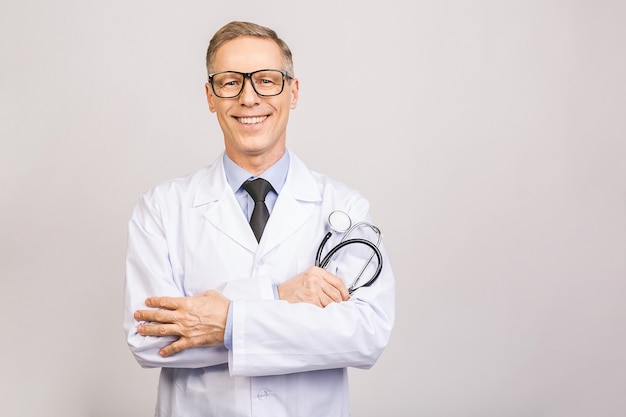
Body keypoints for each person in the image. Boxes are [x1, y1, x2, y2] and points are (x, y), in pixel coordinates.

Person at [123, 21, 395, 417]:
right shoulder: (162, 208)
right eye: (230, 82)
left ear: (293, 91)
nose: (249, 98)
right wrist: (277, 298)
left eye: (266, 80)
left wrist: (227, 321)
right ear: (210, 96)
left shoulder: (344, 207)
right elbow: (148, 338)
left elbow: (366, 334)